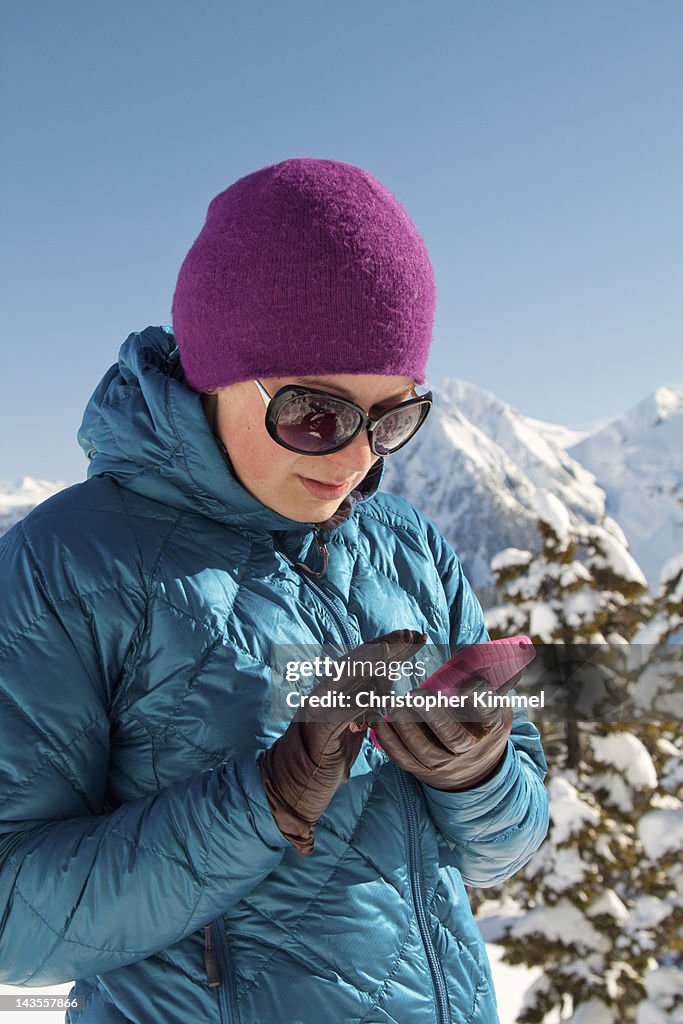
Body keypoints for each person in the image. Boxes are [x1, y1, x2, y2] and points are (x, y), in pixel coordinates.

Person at [0, 158, 549, 1024]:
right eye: (314, 414)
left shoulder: (410, 550)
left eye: (394, 416)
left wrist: (475, 774)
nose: (354, 456)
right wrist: (261, 804)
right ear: (218, 371)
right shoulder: (68, 565)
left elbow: (503, 852)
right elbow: (12, 923)